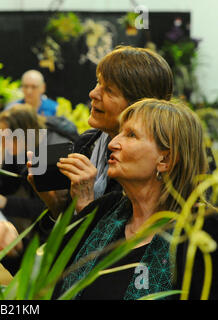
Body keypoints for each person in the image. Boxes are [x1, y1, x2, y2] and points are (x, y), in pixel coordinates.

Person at [0, 45, 175, 260]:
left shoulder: (145, 169)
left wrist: (85, 204)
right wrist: (54, 205)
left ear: (141, 105)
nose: (93, 93)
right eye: (98, 82)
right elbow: (61, 254)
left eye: (109, 90)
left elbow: (115, 263)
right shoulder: (86, 144)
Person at [53, 99, 218, 300]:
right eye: (120, 132)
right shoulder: (105, 209)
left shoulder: (201, 233)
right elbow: (49, 275)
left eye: (131, 135)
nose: (113, 144)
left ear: (165, 160)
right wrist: (14, 250)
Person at [0, 104, 77, 257]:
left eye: (6, 139)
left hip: (62, 235)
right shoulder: (19, 147)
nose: (3, 145)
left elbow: (52, 208)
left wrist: (4, 202)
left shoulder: (53, 151)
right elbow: (7, 181)